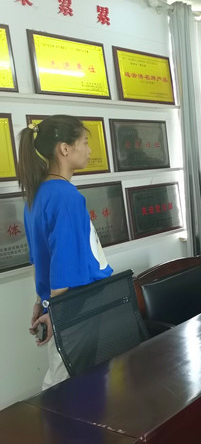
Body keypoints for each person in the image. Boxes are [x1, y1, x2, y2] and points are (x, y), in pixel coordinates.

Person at [17, 115, 113, 390]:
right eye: (84, 142)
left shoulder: (38, 195)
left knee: (66, 373)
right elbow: (64, 263)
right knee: (68, 383)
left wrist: (42, 302)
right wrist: (56, 312)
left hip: (63, 304)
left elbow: (40, 260)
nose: (89, 150)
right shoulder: (66, 197)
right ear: (65, 149)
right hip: (77, 303)